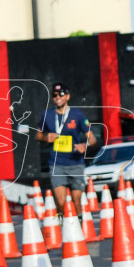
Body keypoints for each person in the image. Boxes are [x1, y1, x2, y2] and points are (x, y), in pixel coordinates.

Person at [36, 83, 95, 217]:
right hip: (57, 164)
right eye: (55, 95)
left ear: (67, 96)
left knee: (76, 200)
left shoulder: (77, 115)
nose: (58, 97)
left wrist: (84, 146)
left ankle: (79, 227)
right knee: (61, 201)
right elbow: (38, 135)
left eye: (61, 94)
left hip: (76, 163)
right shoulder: (47, 114)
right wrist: (46, 137)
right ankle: (64, 224)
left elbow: (92, 139)